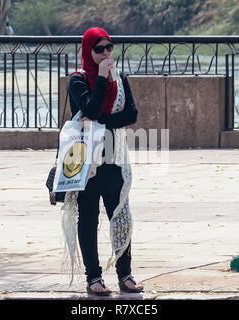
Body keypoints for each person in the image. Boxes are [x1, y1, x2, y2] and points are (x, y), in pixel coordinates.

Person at [61, 27, 144, 296]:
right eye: (99, 49)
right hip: (88, 162)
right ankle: (93, 278)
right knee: (88, 218)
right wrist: (102, 78)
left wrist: (100, 122)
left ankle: (125, 275)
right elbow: (91, 107)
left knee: (120, 215)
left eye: (109, 47)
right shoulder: (78, 80)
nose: (106, 53)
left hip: (115, 157)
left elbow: (131, 114)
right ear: (89, 51)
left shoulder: (121, 79)